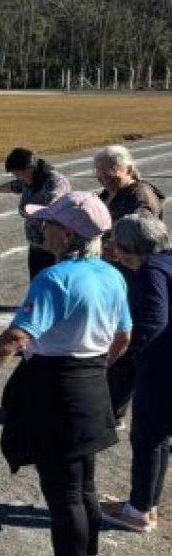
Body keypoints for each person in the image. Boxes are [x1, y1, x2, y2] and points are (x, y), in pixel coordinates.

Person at [0, 192, 130, 556]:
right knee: (84, 488)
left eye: (50, 223)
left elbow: (14, 339)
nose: (44, 228)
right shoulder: (111, 275)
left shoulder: (54, 279)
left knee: (64, 495)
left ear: (68, 233)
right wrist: (94, 366)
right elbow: (123, 337)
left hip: (57, 393)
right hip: (92, 385)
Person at [100, 213, 172, 533]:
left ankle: (139, 511)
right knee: (159, 437)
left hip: (161, 368)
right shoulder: (166, 261)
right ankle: (146, 504)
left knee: (146, 438)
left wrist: (131, 358)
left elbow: (153, 322)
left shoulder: (150, 272)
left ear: (129, 249)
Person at [95, 144, 163, 426]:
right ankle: (108, 405)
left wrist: (112, 247)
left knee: (126, 342)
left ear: (127, 168)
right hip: (116, 272)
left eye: (111, 172)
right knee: (113, 338)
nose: (104, 178)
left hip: (132, 275)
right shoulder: (112, 191)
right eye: (100, 173)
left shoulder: (140, 196)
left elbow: (143, 238)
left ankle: (114, 411)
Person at [0, 148, 71, 279]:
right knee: (37, 287)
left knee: (55, 287)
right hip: (36, 247)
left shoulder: (54, 182)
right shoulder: (28, 179)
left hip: (54, 248)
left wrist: (27, 210)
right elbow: (14, 185)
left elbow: (52, 209)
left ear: (29, 169)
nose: (17, 177)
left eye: (17, 173)